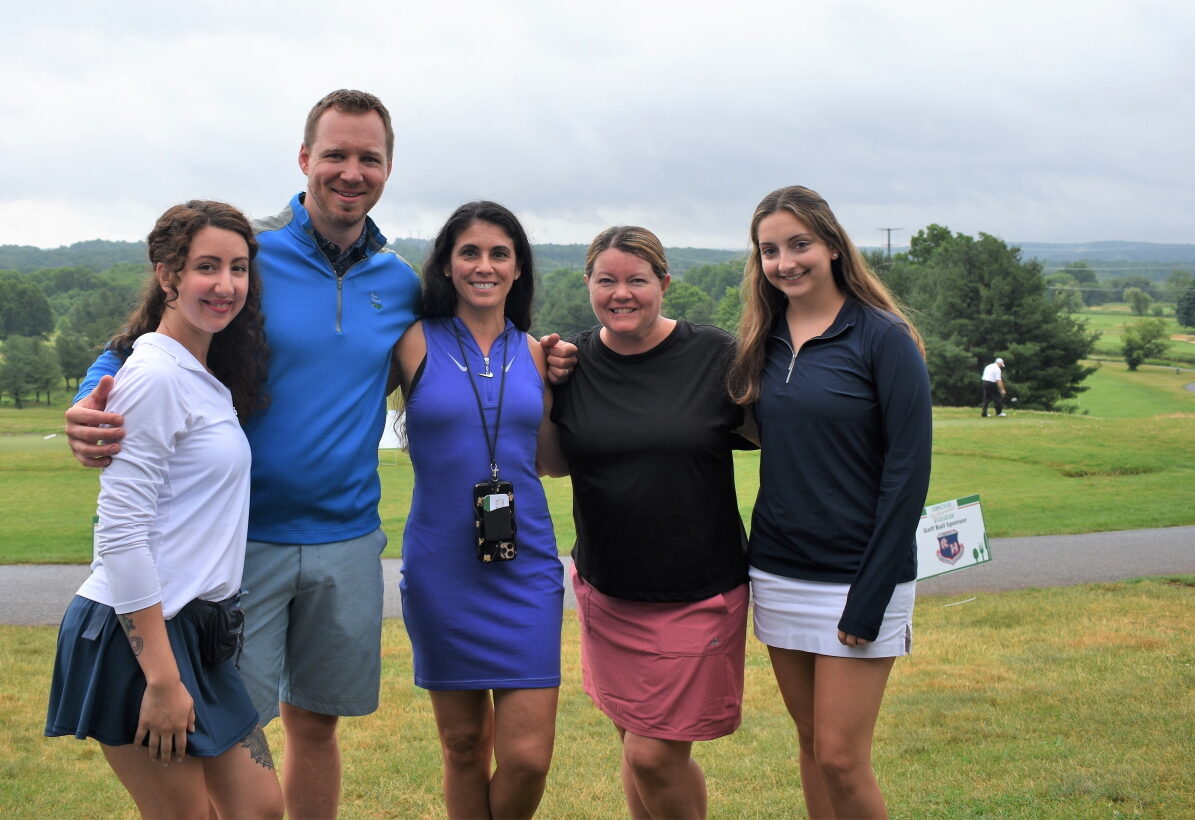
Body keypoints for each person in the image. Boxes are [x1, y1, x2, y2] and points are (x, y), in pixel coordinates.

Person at [63, 91, 577, 817]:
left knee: (317, 725)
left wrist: (542, 359)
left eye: (369, 157)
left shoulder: (397, 283)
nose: (350, 171)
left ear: (388, 168)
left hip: (347, 540)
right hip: (244, 541)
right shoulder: (251, 256)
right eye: (335, 153)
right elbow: (146, 335)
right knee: (232, 730)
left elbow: (469, 350)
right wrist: (93, 397)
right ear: (305, 158)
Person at [46, 201, 283, 819]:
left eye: (238, 268)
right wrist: (161, 679)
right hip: (141, 635)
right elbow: (120, 534)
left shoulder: (200, 372)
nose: (226, 285)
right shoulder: (153, 376)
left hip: (198, 631)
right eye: (207, 267)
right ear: (167, 275)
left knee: (258, 807)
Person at [727, 186, 932, 819]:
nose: (785, 261)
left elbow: (908, 473)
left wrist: (870, 595)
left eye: (799, 244)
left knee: (843, 756)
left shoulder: (882, 337)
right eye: (770, 250)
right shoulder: (763, 338)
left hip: (860, 575)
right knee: (813, 743)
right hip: (781, 570)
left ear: (834, 246)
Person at [551, 226, 750, 820]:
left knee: (653, 756)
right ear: (587, 283)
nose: (622, 293)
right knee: (632, 740)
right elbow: (551, 462)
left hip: (697, 592)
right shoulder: (571, 363)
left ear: (664, 283)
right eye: (606, 280)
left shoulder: (715, 355)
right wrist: (541, 374)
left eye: (637, 280)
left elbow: (787, 430)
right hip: (609, 592)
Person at [393, 201, 564, 819]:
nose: (484, 265)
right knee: (463, 745)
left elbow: (552, 460)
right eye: (469, 252)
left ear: (518, 268)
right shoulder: (413, 343)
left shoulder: (538, 353)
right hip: (443, 565)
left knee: (527, 758)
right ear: (446, 264)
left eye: (499, 253)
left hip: (525, 566)